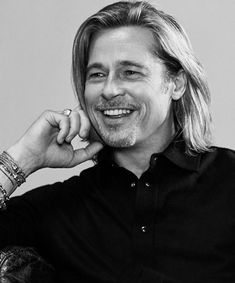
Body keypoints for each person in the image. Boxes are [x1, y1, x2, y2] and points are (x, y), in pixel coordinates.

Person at [0, 1, 234, 282]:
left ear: (176, 83)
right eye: (97, 74)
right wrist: (22, 158)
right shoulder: (59, 209)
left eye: (130, 72)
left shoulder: (229, 182)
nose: (110, 89)